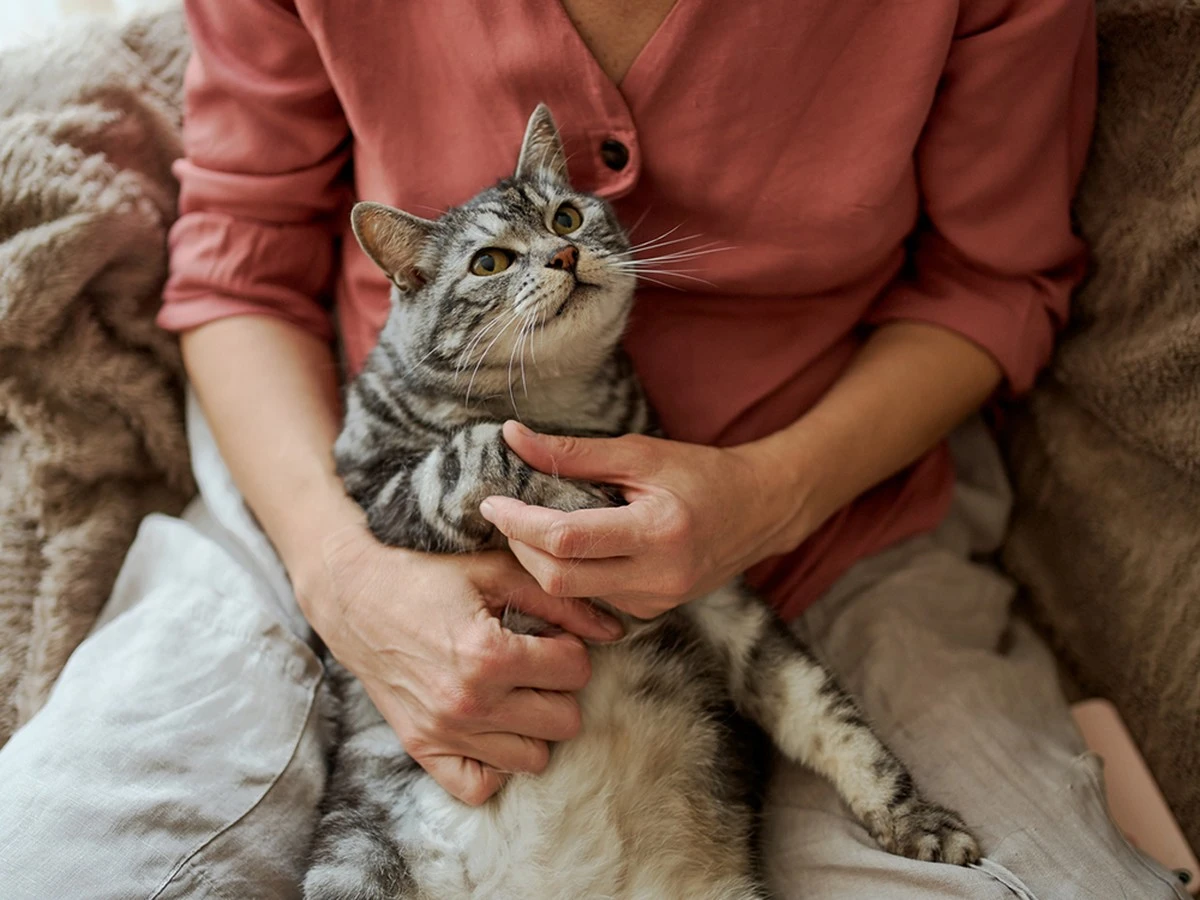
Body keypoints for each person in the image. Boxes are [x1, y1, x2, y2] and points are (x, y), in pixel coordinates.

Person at [0, 0, 1188, 897]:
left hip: (834, 520)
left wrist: (766, 498)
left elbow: (998, 279)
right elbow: (236, 256)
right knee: (60, 857)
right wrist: (342, 573)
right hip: (332, 498)